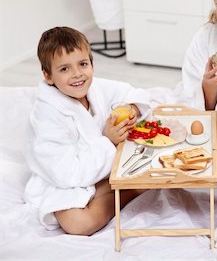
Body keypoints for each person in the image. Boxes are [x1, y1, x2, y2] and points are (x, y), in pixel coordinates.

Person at [23, 26, 152, 235]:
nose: (77, 74)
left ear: (91, 63)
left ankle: (116, 187)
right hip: (63, 178)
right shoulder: (46, 114)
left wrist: (132, 108)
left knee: (146, 157)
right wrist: (107, 141)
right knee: (78, 224)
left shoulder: (94, 88)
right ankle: (130, 190)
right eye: (64, 69)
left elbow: (134, 93)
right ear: (48, 76)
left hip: (96, 168)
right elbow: (65, 173)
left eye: (83, 64)